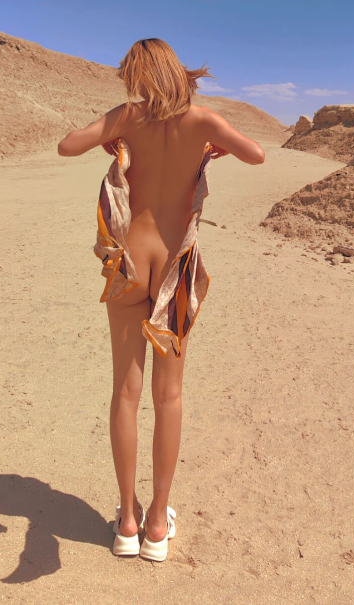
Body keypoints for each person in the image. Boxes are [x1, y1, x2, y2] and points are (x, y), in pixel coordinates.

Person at [57, 38, 265, 560]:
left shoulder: (127, 117)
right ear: (176, 71)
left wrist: (111, 138)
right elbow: (257, 155)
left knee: (125, 394)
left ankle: (126, 523)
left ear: (139, 76)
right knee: (169, 396)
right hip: (176, 269)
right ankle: (156, 523)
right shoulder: (203, 120)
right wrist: (215, 147)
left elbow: (66, 145)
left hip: (129, 264)